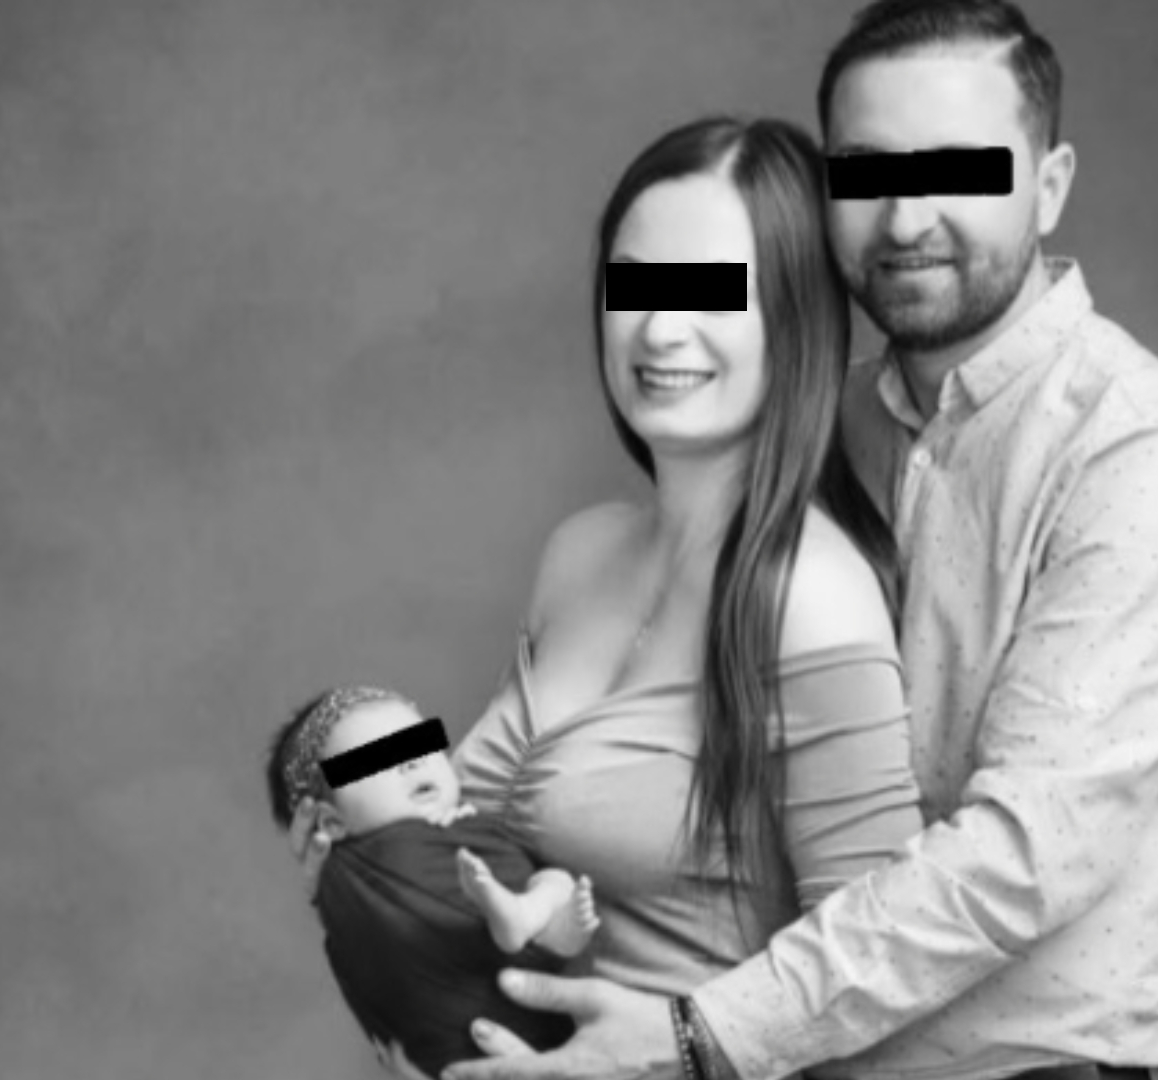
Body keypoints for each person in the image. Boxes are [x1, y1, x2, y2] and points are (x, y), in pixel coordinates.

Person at [440, 3, 1158, 1080]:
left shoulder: (1140, 454)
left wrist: (698, 1036)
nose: (907, 218)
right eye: (866, 175)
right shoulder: (821, 433)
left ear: (1050, 184)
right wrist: (349, 792)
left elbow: (1029, 850)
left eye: (959, 170)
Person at [285, 114, 928, 1074]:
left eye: (711, 290)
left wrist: (681, 1049)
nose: (661, 328)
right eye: (634, 286)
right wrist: (355, 859)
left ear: (796, 319)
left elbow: (881, 970)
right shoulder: (581, 552)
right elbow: (471, 822)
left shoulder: (811, 596)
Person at [264, 685, 604, 1077]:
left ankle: (531, 918)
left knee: (551, 884)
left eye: (421, 743)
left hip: (499, 1041)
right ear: (331, 823)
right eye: (377, 758)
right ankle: (532, 918)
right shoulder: (382, 862)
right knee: (553, 882)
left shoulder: (452, 833)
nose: (413, 762)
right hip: (503, 1022)